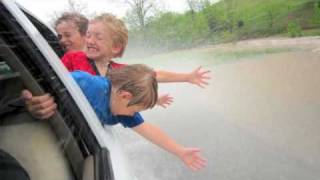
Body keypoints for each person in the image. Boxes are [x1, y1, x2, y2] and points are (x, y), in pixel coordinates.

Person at [23, 13, 210, 119]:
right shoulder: (70, 60)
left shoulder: (116, 70)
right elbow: (45, 85)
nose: (62, 41)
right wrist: (34, 101)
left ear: (115, 47)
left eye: (67, 35)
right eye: (59, 36)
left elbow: (152, 75)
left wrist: (185, 78)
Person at [71, 64, 206, 171]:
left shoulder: (123, 111)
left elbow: (149, 130)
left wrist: (179, 151)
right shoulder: (87, 83)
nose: (134, 114)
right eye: (135, 110)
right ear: (125, 96)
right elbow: (54, 80)